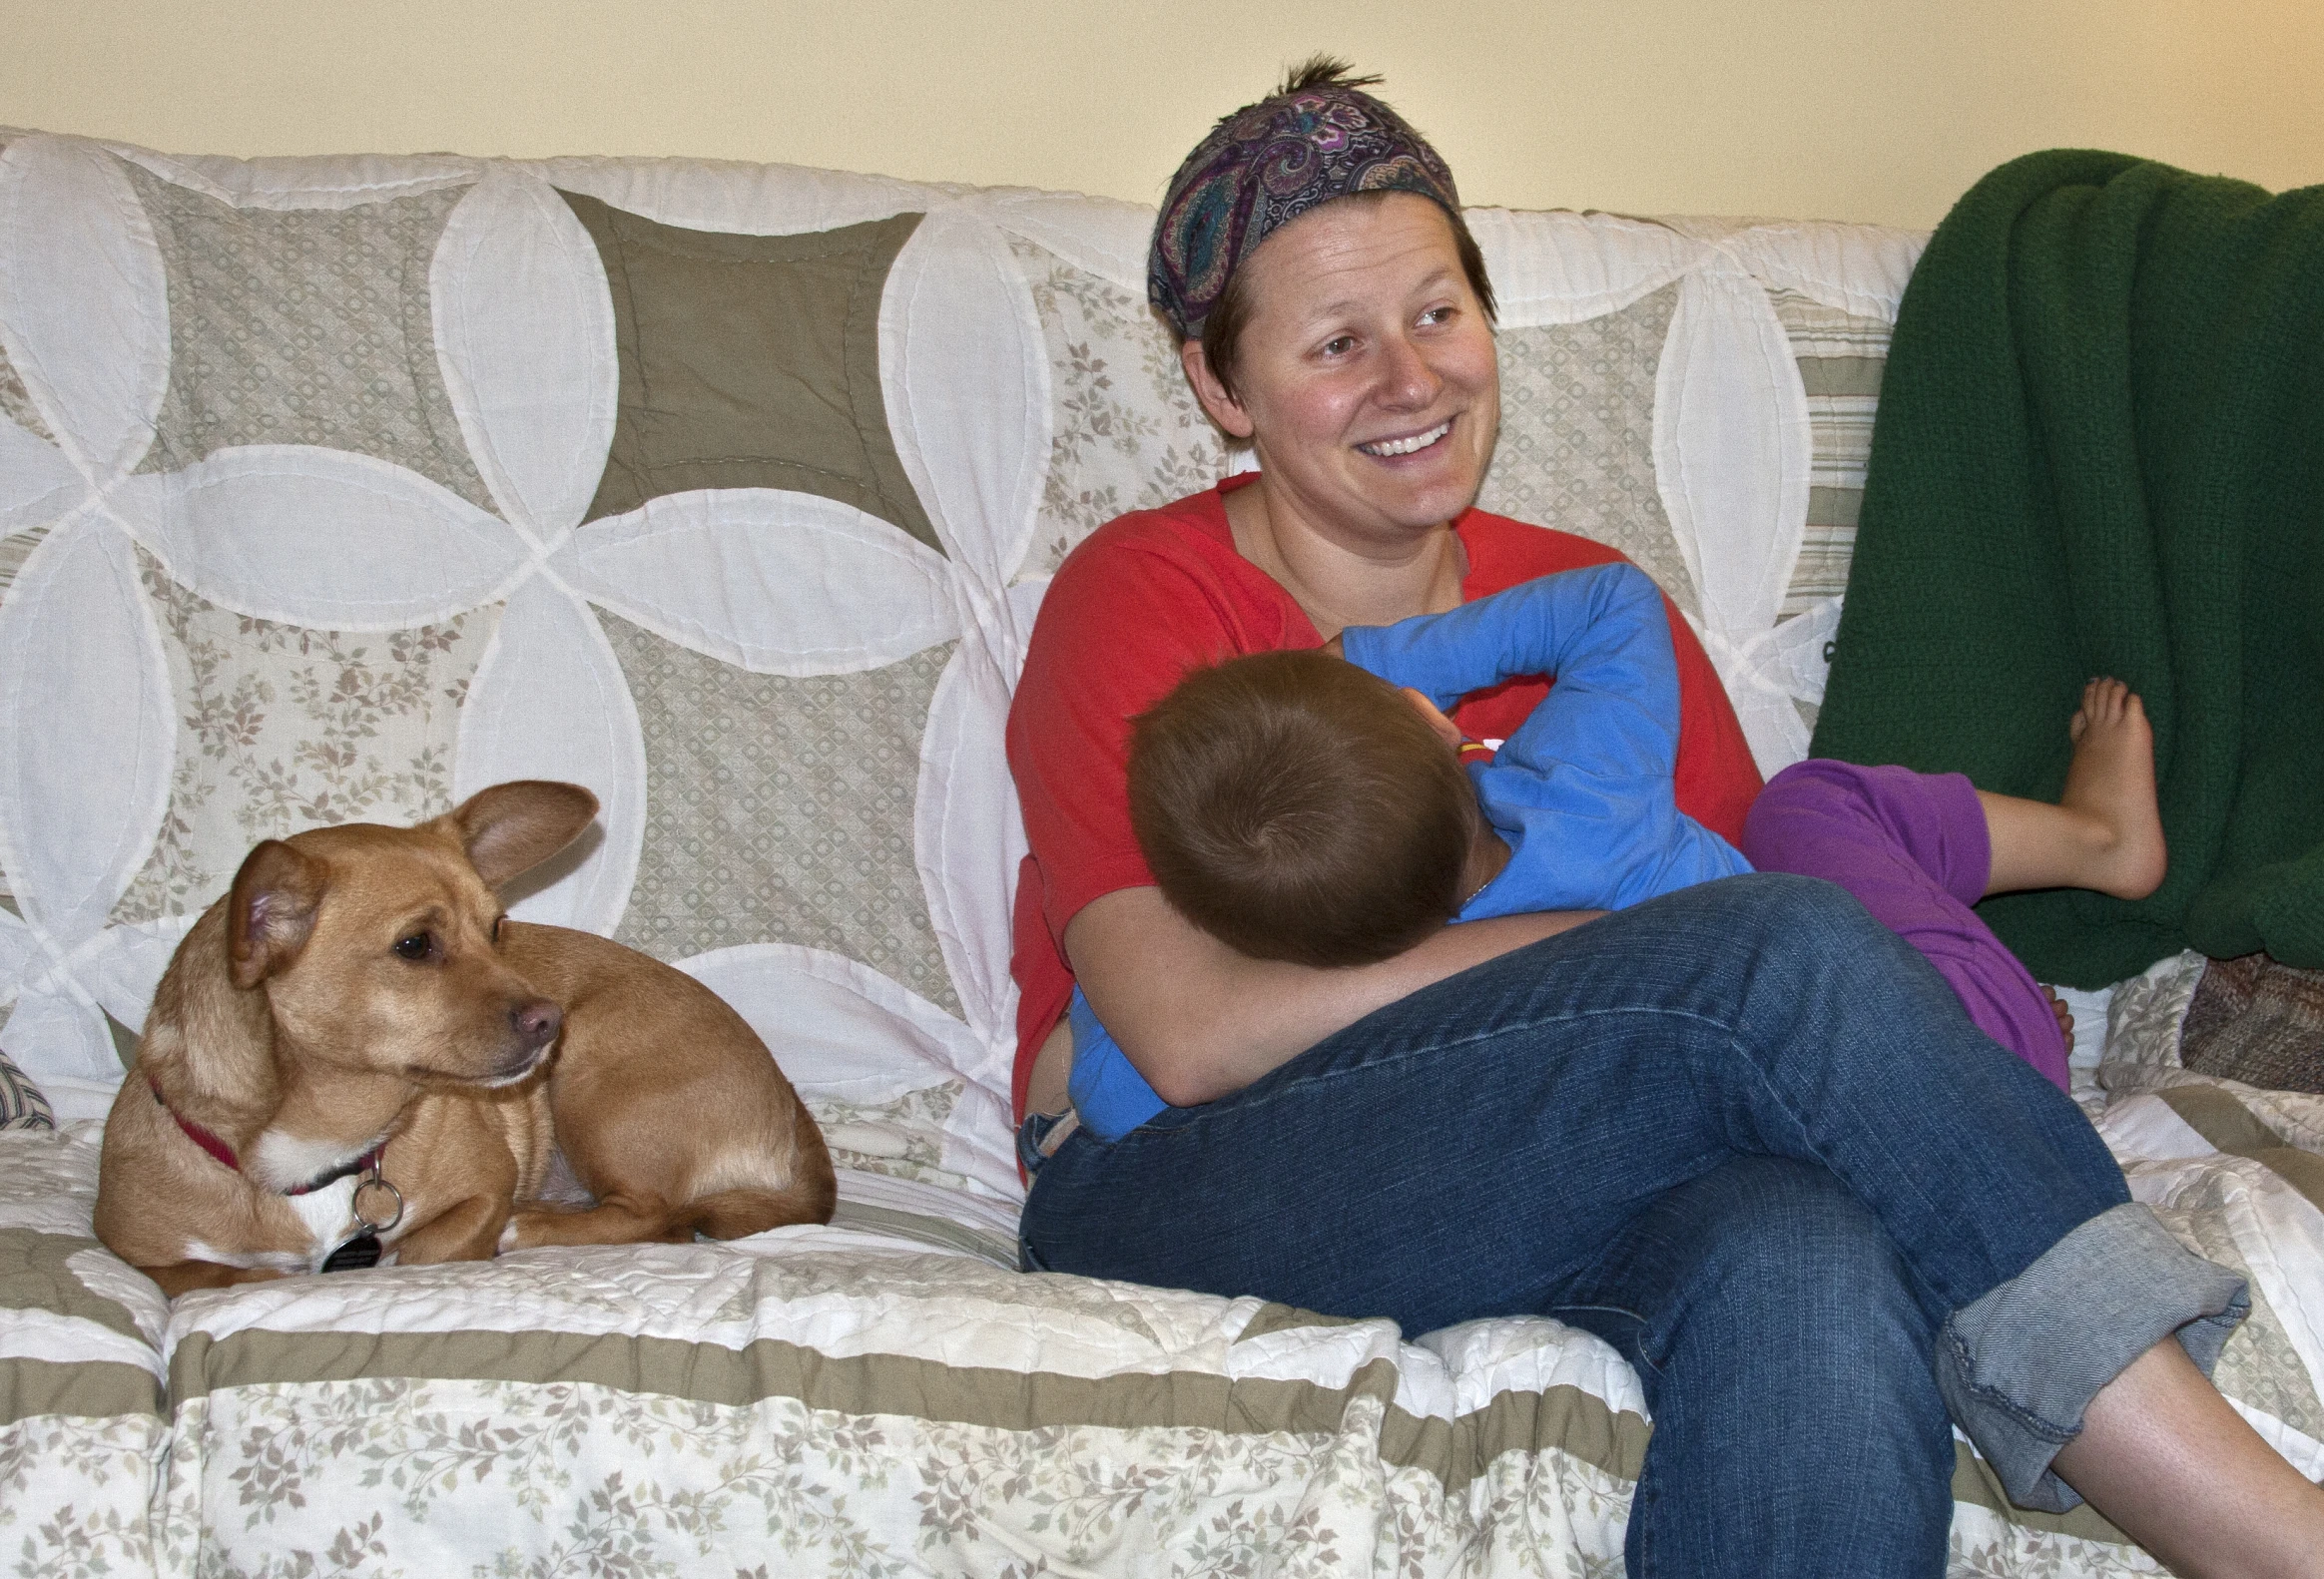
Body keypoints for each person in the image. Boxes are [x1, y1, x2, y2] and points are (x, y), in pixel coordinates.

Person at [1006, 57, 2324, 1578]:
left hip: (1533, 1173)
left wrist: (1688, 974)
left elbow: (1729, 970)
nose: (1412, 379)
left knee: (1805, 1247)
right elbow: (1182, 1029)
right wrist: (1614, 950)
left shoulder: (1581, 600)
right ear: (1221, 387)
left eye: (1438, 314)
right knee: (1769, 962)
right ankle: (2258, 1532)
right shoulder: (1148, 596)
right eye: (1336, 343)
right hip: (1188, 1177)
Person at [1066, 562, 2163, 1147]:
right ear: (1441, 726)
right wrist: (1364, 654)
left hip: (1836, 1127)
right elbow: (1612, 601)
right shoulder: (1594, 791)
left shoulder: (1355, 1000)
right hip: (1964, 1053)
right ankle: (2101, 844)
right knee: (1805, 808)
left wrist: (1089, 1021)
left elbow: (1133, 1086)